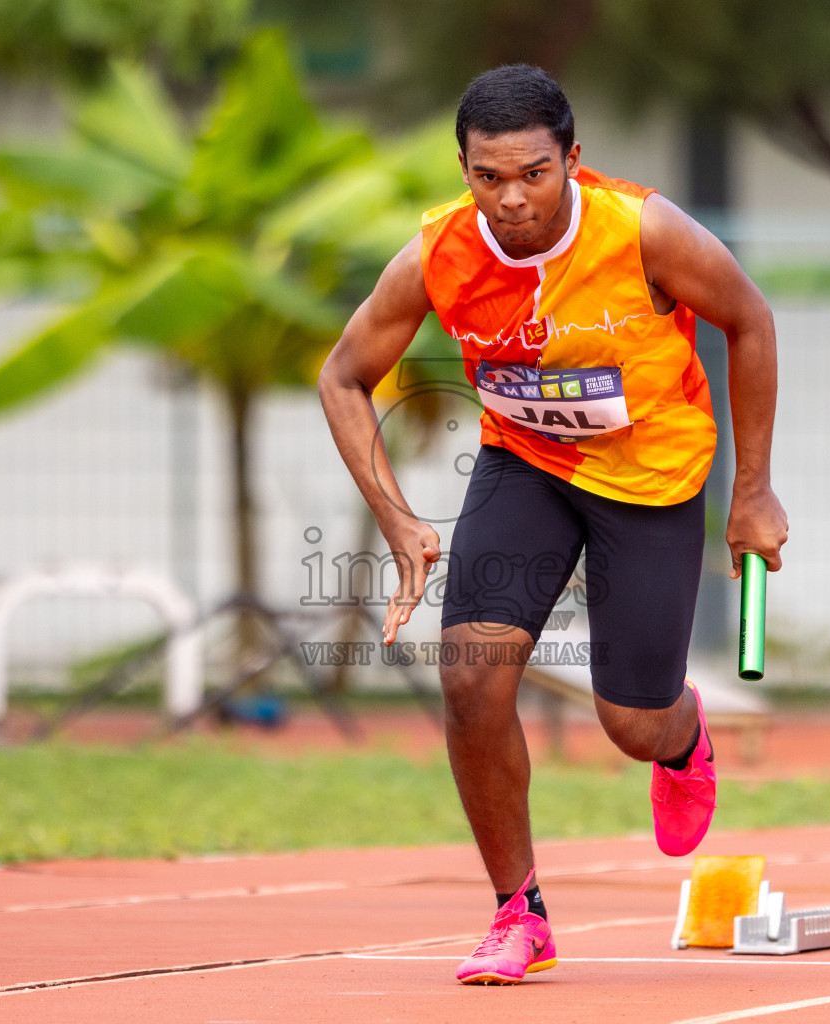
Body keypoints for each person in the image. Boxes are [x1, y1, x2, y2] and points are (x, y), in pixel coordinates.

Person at [317, 64, 787, 985]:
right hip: (524, 467)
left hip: (647, 481)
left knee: (629, 723)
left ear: (573, 158)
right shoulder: (437, 253)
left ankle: (681, 737)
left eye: (534, 172)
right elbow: (342, 377)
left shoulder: (642, 231)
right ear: (464, 170)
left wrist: (753, 493)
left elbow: (751, 321)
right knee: (472, 677)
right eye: (488, 177)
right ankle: (517, 911)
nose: (512, 199)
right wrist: (400, 518)